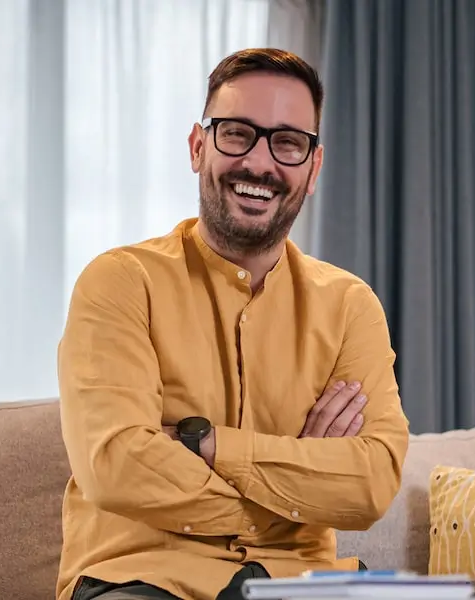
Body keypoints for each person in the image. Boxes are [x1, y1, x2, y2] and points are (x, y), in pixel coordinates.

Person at [55, 48, 410, 600]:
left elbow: (370, 484)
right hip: (146, 579)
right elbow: (116, 467)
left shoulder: (350, 306)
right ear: (199, 148)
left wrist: (209, 446)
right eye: (238, 134)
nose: (261, 163)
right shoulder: (119, 283)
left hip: (305, 585)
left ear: (313, 169)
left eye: (288, 142)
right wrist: (296, 486)